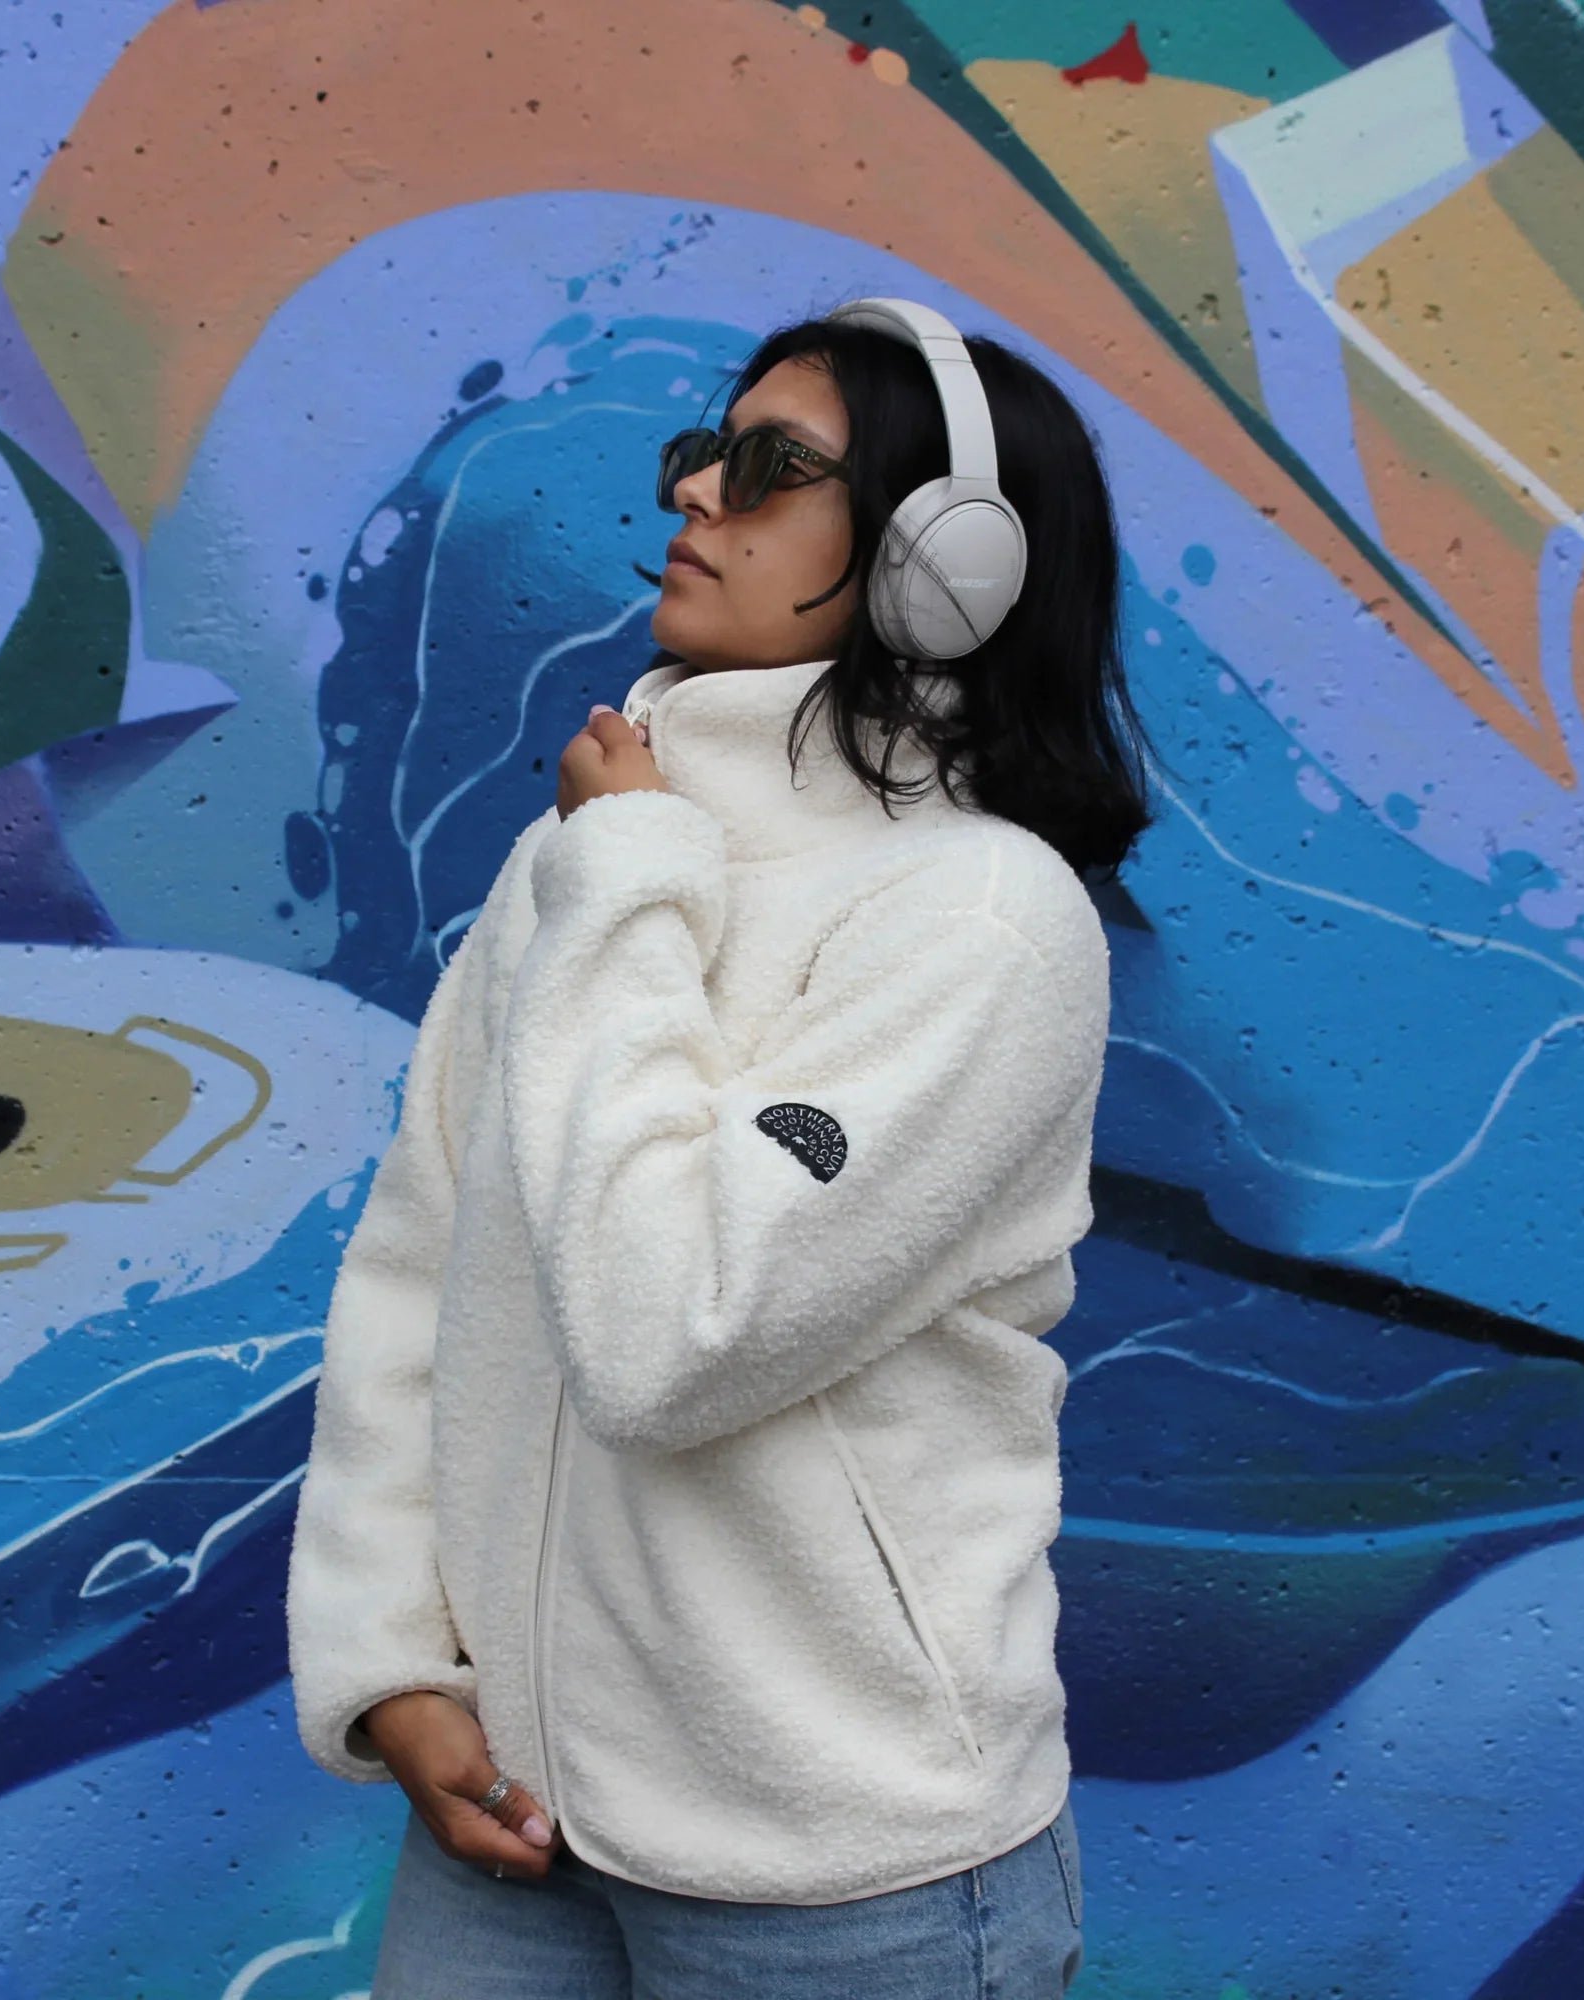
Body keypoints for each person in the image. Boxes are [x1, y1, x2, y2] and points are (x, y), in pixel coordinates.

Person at [285, 296, 1157, 1997]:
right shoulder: (589, 866)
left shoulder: (976, 921)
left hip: (844, 1874)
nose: (698, 494)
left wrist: (623, 879)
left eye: (774, 467)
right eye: (704, 450)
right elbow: (419, 1277)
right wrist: (391, 1663)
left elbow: (675, 1328)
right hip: (513, 1820)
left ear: (944, 561)